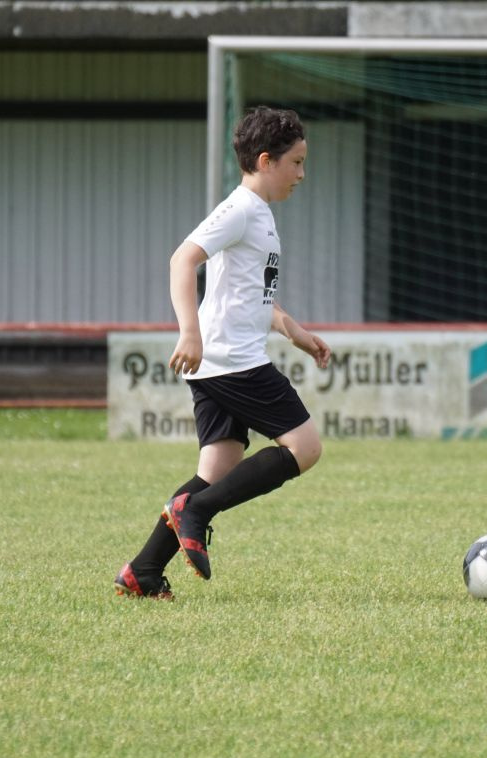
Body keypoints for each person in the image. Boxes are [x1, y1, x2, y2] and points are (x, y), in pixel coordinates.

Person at [115, 106, 331, 600]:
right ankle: (197, 511)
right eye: (296, 162)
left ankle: (143, 571)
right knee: (306, 448)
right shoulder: (240, 209)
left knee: (216, 471)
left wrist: (294, 331)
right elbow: (182, 259)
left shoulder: (260, 215)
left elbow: (252, 295)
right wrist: (188, 331)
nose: (302, 174)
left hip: (219, 362)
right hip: (233, 361)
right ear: (265, 161)